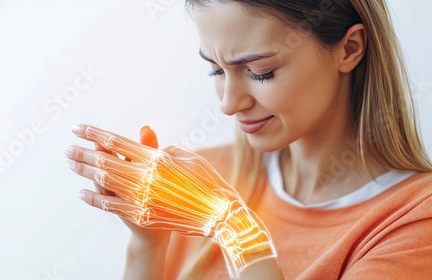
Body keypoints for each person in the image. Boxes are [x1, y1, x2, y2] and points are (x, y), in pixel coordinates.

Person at [64, 0, 432, 279]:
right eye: (216, 70)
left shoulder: (414, 219)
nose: (228, 105)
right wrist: (148, 245)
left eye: (260, 72)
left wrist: (239, 231)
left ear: (349, 49)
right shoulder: (201, 185)